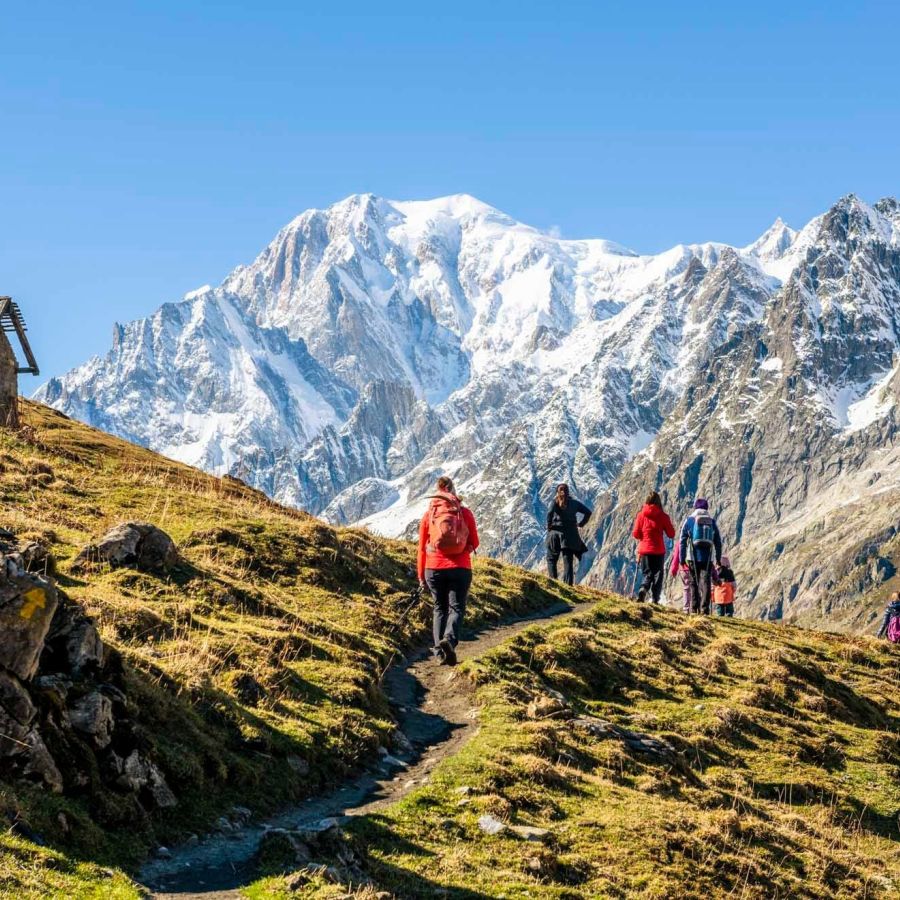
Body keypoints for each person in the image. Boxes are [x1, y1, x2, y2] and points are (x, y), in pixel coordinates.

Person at [417, 476, 479, 665]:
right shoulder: (464, 513)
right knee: (456, 607)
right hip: (460, 568)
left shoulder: (429, 515)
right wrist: (464, 549)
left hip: (433, 568)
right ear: (453, 490)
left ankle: (439, 653)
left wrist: (421, 576)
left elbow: (421, 548)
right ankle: (449, 641)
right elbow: (475, 541)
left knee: (439, 608)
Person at [678, 498, 722, 615]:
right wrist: (718, 559)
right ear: (706, 508)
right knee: (705, 582)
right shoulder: (712, 522)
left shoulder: (689, 521)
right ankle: (704, 610)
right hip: (707, 558)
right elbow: (718, 542)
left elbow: (682, 540)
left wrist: (681, 558)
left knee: (693, 582)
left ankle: (694, 609)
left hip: (692, 557)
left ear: (695, 507)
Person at [631, 491, 675, 603]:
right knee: (658, 575)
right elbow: (671, 534)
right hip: (658, 550)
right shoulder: (663, 516)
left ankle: (643, 588)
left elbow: (636, 534)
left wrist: (644, 535)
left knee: (647, 573)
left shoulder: (641, 515)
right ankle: (655, 599)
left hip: (644, 550)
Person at [546, 483, 592, 585]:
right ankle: (568, 585)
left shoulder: (554, 502)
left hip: (555, 534)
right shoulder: (574, 503)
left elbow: (549, 513)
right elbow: (588, 512)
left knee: (551, 559)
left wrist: (549, 525)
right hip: (570, 536)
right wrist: (581, 524)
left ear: (557, 493)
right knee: (568, 561)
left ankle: (553, 583)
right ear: (568, 492)